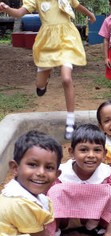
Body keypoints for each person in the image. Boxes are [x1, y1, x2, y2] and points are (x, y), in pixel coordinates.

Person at [0, 131, 111, 236]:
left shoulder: (34, 197)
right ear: (15, 167)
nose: (41, 172)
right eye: (32, 164)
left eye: (48, 167)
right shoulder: (20, 203)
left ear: (57, 174)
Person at [0, 1, 96, 140]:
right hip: (47, 43)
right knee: (39, 85)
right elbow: (19, 13)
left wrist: (90, 14)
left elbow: (77, 6)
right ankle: (44, 82)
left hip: (66, 39)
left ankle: (70, 122)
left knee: (66, 78)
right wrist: (7, 9)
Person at [47, 124, 111, 236]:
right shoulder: (62, 174)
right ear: (71, 152)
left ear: (104, 154)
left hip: (91, 219)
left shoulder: (105, 174)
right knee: (54, 192)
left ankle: (91, 227)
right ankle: (55, 231)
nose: (91, 155)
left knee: (108, 191)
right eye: (84, 150)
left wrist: (110, 231)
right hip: (65, 218)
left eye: (97, 150)